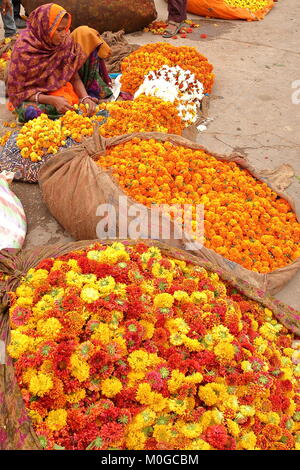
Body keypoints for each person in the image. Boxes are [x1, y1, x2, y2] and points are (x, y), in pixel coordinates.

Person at [7, 3, 113, 122]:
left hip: (62, 88)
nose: (64, 34)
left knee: (87, 36)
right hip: (38, 97)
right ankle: (65, 107)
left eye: (66, 29)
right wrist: (52, 100)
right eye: (59, 30)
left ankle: (85, 97)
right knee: (30, 112)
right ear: (45, 27)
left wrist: (84, 98)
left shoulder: (63, 42)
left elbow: (73, 75)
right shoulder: (24, 50)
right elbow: (18, 92)